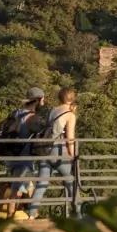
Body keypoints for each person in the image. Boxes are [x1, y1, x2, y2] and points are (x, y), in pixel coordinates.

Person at [26, 88, 78, 218]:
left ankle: (31, 213)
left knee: (42, 183)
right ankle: (78, 212)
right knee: (70, 181)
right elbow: (70, 138)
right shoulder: (70, 115)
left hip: (45, 148)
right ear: (72, 98)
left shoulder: (53, 111)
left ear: (60, 98)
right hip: (59, 150)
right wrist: (73, 156)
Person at [0, 88, 42, 219]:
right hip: (24, 160)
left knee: (29, 186)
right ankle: (11, 217)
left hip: (11, 157)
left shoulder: (16, 113)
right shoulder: (31, 117)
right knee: (17, 191)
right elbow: (43, 133)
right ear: (39, 100)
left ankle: (34, 214)